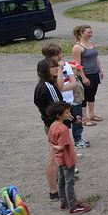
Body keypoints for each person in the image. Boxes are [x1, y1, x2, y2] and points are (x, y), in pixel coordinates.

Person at [47, 101, 91, 215]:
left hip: (59, 159)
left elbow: (51, 141)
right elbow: (61, 147)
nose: (69, 114)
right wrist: (55, 146)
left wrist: (53, 146)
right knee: (69, 182)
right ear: (58, 115)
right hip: (67, 158)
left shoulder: (52, 126)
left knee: (61, 180)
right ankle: (73, 206)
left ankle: (64, 202)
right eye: (66, 113)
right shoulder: (63, 129)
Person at [42, 43, 89, 148]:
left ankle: (78, 140)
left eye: (60, 53)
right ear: (49, 56)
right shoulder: (48, 68)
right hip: (58, 104)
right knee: (61, 127)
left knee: (76, 120)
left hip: (71, 100)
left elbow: (73, 83)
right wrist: (60, 87)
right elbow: (55, 87)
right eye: (56, 54)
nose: (60, 56)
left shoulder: (66, 65)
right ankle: (63, 148)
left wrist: (60, 88)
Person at [34, 58, 64, 200]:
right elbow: (58, 107)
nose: (57, 68)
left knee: (54, 155)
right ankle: (53, 190)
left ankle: (56, 183)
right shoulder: (48, 86)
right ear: (46, 70)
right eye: (54, 66)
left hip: (49, 124)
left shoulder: (40, 86)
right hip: (54, 126)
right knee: (53, 157)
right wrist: (73, 119)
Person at [72, 24, 104, 126]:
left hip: (94, 73)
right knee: (84, 97)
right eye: (88, 32)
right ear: (82, 33)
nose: (90, 34)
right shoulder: (78, 47)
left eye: (91, 32)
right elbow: (77, 64)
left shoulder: (91, 44)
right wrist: (83, 77)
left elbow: (96, 58)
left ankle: (92, 114)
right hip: (86, 74)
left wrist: (100, 70)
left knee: (92, 95)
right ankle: (84, 118)